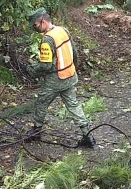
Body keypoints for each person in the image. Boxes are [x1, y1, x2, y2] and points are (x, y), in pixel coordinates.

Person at [24, 8, 95, 148]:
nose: (34, 29)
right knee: (73, 104)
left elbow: (45, 66)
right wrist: (74, 68)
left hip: (56, 79)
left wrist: (31, 70)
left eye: (35, 25)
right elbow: (74, 52)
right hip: (70, 74)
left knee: (41, 103)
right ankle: (88, 135)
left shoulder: (47, 40)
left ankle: (36, 132)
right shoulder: (62, 30)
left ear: (43, 21)